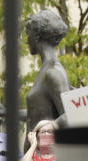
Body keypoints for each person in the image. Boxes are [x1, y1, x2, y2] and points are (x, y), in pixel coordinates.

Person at [24, 10, 70, 139]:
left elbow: (69, 115)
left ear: (37, 35)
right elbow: (38, 114)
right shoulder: (45, 70)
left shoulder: (53, 71)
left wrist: (51, 126)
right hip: (35, 155)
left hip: (47, 155)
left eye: (28, 34)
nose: (26, 40)